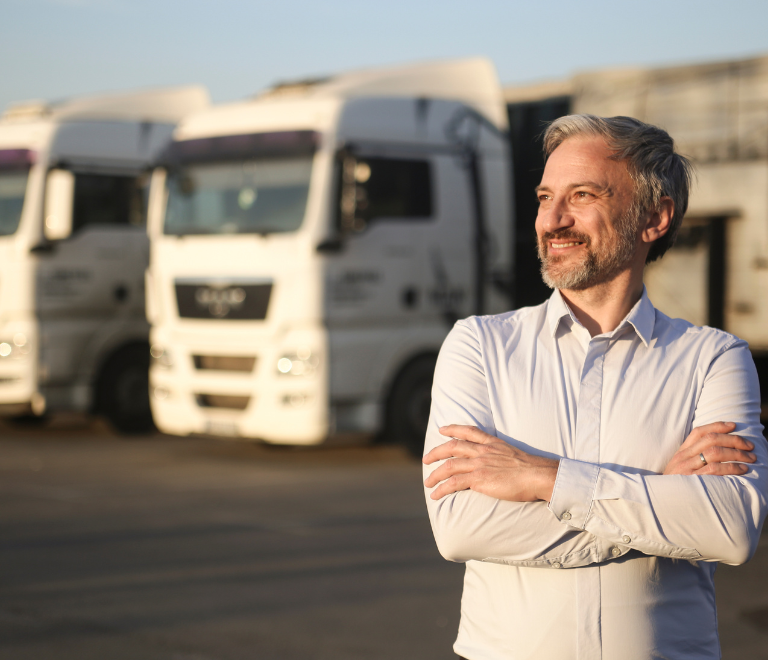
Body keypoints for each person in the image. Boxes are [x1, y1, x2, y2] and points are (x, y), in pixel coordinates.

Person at [422, 114, 768, 660]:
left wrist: (544, 479)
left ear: (654, 217)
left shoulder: (713, 358)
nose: (552, 220)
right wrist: (658, 495)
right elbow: (461, 528)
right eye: (544, 197)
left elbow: (728, 528)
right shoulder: (479, 346)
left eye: (581, 195)